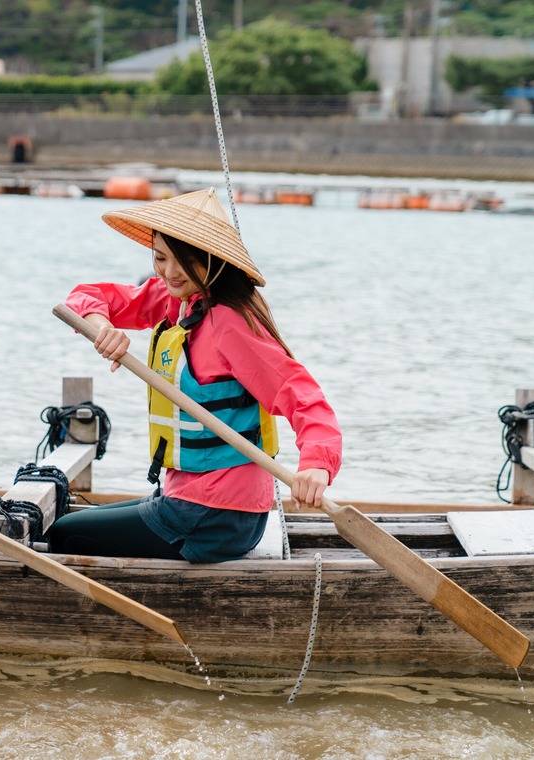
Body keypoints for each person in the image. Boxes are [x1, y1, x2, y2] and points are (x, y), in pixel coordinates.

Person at [49, 187, 342, 563]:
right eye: (160, 258)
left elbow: (300, 393)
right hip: (190, 501)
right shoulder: (178, 299)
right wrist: (103, 327)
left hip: (217, 516)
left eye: (185, 262)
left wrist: (316, 464)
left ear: (212, 261)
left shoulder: (229, 323)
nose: (170, 273)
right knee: (69, 523)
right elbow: (85, 297)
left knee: (64, 534)